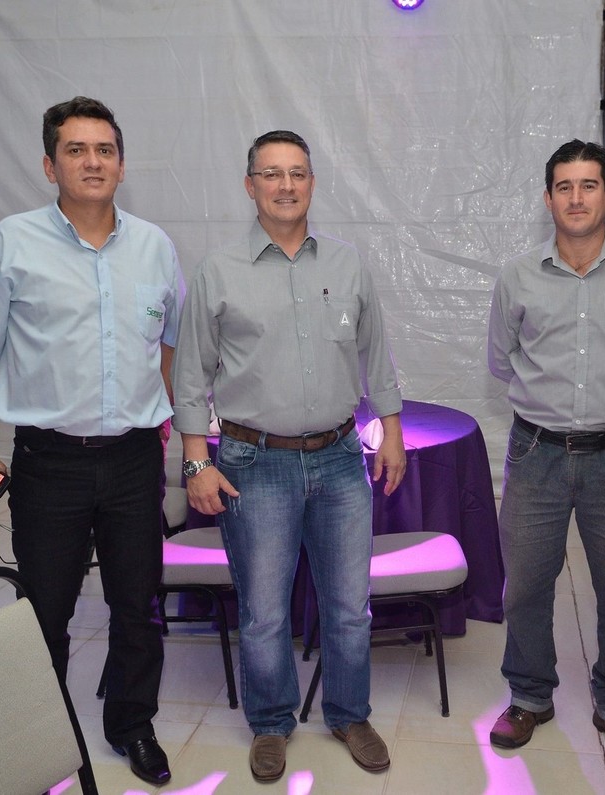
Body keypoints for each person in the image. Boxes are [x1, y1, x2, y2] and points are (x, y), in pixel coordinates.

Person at [0, 96, 182, 787]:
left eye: (105, 150)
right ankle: (39, 734)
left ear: (122, 165)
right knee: (44, 608)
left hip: (134, 460)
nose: (92, 162)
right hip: (49, 463)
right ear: (50, 166)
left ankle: (131, 724)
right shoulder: (11, 243)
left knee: (138, 605)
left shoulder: (155, 246)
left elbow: (170, 342)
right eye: (76, 150)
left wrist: (161, 415)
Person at [172, 130, 406, 783]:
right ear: (250, 185)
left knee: (349, 606)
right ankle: (272, 722)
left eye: (297, 173)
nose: (285, 185)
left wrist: (391, 430)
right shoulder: (218, 271)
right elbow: (190, 377)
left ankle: (349, 714)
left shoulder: (348, 265)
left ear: (312, 183)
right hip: (254, 464)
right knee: (265, 612)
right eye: (271, 174)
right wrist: (195, 461)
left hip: (340, 460)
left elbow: (376, 353)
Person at [486, 139, 605, 766]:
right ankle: (529, 696)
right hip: (535, 454)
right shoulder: (518, 276)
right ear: (548, 199)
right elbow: (501, 359)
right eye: (564, 187)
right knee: (525, 587)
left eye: (589, 185)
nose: (576, 198)